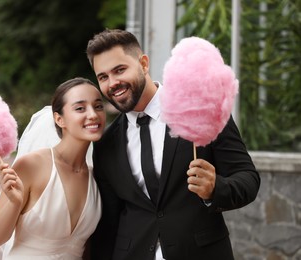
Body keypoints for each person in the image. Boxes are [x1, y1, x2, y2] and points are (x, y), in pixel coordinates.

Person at [86, 29, 260, 260]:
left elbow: (248, 178)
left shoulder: (201, 110)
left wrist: (215, 189)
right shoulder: (106, 143)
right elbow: (109, 220)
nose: (112, 83)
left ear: (144, 64)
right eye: (103, 77)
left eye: (120, 70)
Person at [0, 77, 106, 260]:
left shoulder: (96, 176)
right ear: (59, 119)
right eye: (80, 108)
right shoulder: (31, 165)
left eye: (98, 106)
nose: (93, 114)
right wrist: (14, 204)